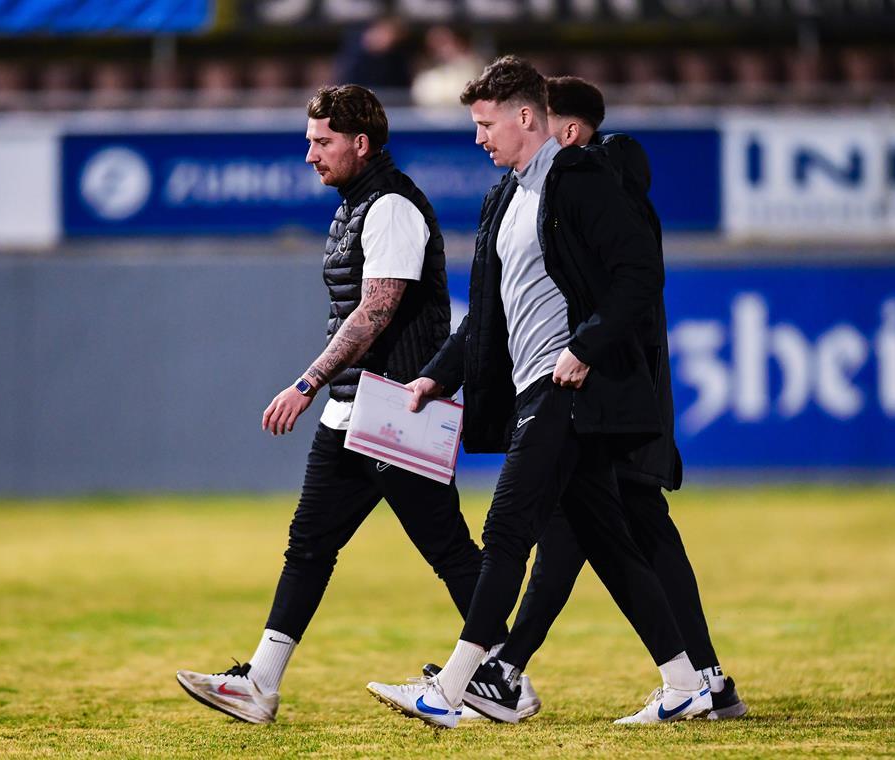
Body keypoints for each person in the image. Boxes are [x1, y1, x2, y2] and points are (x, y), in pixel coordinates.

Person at [365, 56, 711, 728]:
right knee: (608, 541)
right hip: (533, 389)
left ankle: (456, 686)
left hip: (566, 388)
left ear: (527, 117)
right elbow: (489, 314)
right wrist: (437, 373)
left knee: (505, 530)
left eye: (485, 123)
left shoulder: (582, 180)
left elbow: (639, 274)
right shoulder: (504, 198)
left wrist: (585, 346)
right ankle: (684, 681)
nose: (477, 138)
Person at [175, 84, 496, 724]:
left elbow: (374, 311)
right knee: (311, 544)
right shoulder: (357, 205)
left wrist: (306, 382)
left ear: (360, 142)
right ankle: (259, 684)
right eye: (308, 142)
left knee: (450, 553)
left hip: (395, 411)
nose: (310, 155)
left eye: (321, 142)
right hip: (357, 412)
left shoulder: (393, 207)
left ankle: (504, 675)